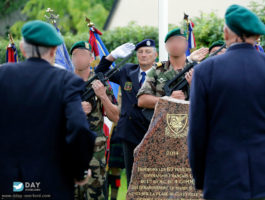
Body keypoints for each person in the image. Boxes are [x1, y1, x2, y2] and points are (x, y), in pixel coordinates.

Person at [188, 4, 265, 200]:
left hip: (222, 175)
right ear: (257, 36)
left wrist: (200, 177)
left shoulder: (205, 70)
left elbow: (197, 130)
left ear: (225, 32)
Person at [0, 20, 96, 199]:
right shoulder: (66, 81)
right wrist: (80, 170)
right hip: (52, 180)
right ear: (53, 50)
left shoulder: (2, 76)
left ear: (22, 48)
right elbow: (79, 127)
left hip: (7, 180)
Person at [95, 39, 156, 186]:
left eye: (148, 52)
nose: (143, 55)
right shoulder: (128, 71)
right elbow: (100, 72)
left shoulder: (162, 73)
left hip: (153, 131)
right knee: (132, 178)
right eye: (140, 52)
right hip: (130, 132)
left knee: (154, 179)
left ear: (155, 55)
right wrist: (112, 56)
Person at [70, 41, 119, 200]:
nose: (79, 58)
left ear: (91, 58)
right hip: (69, 145)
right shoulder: (63, 83)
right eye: (75, 55)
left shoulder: (101, 82)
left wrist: (103, 96)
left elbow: (115, 117)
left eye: (83, 54)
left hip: (95, 149)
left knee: (95, 194)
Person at [137, 28, 209, 109]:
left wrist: (194, 85)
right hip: (163, 121)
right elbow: (142, 100)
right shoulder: (156, 70)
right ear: (166, 46)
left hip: (190, 120)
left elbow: (210, 101)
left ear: (186, 45)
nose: (175, 44)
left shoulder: (198, 70)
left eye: (179, 41)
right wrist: (168, 100)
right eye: (171, 41)